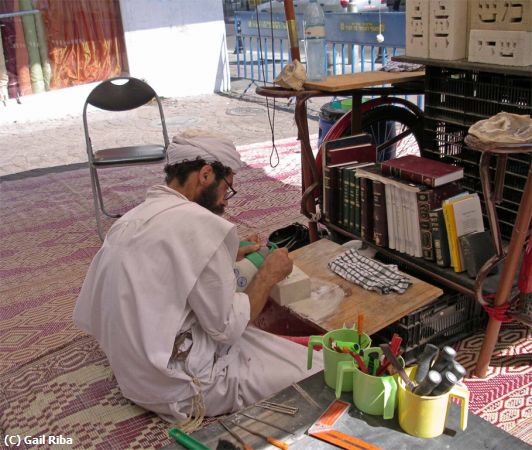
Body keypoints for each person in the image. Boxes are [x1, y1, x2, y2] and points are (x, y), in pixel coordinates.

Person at [73, 131, 323, 425]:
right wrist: (267, 275)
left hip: (131, 375)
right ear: (205, 175)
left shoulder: (131, 219)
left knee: (286, 347)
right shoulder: (202, 226)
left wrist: (224, 255)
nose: (225, 201)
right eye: (226, 187)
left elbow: (165, 267)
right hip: (179, 387)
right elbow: (228, 329)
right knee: (318, 372)